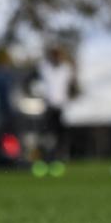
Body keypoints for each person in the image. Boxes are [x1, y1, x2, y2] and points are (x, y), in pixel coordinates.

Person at [34, 46, 79, 177]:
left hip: (61, 108)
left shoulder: (66, 69)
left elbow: (73, 86)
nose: (56, 58)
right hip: (47, 107)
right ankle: (42, 162)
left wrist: (72, 96)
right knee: (44, 136)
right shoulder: (44, 68)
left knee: (61, 138)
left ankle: (57, 163)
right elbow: (35, 81)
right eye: (54, 55)